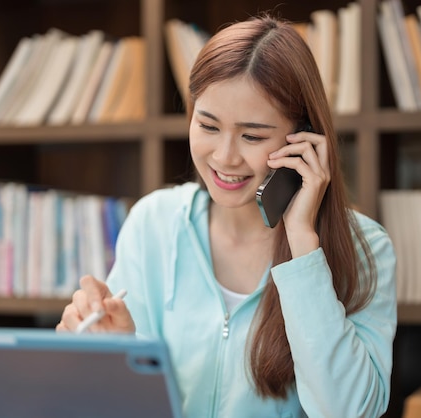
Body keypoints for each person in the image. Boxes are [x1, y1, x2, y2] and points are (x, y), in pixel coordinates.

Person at [58, 14, 397, 418]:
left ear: (303, 139)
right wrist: (114, 353)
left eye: (252, 135)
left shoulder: (365, 247)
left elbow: (349, 412)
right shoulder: (155, 223)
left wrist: (304, 247)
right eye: (208, 126)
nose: (224, 157)